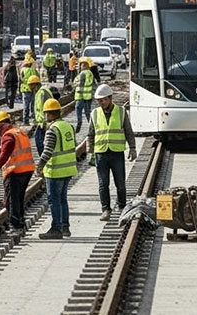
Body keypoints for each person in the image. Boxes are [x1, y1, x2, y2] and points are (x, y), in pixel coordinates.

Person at [87, 85, 136, 221]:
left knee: (120, 183)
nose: (101, 103)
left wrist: (132, 148)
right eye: (99, 100)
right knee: (103, 184)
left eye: (103, 100)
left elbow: (128, 131)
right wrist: (90, 152)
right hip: (101, 153)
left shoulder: (121, 112)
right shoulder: (95, 114)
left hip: (116, 153)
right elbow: (90, 134)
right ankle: (106, 209)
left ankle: (121, 207)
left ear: (110, 99)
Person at [0, 111, 33, 237]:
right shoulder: (19, 132)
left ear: (1, 125)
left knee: (12, 200)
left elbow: (5, 154)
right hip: (27, 170)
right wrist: (0, 148)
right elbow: (12, 147)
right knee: (18, 198)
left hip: (15, 171)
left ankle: (15, 226)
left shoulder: (8, 136)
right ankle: (21, 222)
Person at [36, 98, 76, 240]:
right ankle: (65, 227)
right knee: (63, 199)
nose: (45, 116)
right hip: (68, 169)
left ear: (52, 114)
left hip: (55, 170)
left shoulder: (52, 130)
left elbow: (47, 151)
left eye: (46, 113)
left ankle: (56, 228)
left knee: (54, 200)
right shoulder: (68, 126)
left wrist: (39, 166)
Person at [31, 77, 54, 157]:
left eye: (31, 85)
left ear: (36, 84)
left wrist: (47, 122)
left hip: (44, 123)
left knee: (41, 143)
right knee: (41, 142)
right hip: (41, 123)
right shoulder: (40, 92)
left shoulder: (42, 93)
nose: (31, 88)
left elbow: (46, 108)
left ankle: (44, 160)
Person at [71, 58, 95, 133]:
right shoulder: (90, 74)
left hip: (80, 97)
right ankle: (92, 126)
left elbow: (80, 86)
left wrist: (75, 85)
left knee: (79, 110)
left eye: (83, 65)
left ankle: (79, 125)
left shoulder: (82, 74)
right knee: (88, 112)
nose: (81, 66)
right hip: (88, 96)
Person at [20, 60, 40, 127]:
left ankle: (26, 121)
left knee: (26, 106)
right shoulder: (34, 70)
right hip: (33, 89)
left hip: (25, 90)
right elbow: (38, 78)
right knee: (34, 105)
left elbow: (20, 80)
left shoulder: (23, 70)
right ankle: (35, 120)